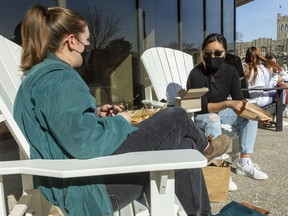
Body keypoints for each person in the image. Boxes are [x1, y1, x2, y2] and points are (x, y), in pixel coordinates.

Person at [13, 5, 230, 216]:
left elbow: (64, 126)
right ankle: (207, 149)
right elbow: (84, 143)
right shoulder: (58, 78)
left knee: (184, 145)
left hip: (89, 177)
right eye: (87, 41)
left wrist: (96, 114)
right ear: (71, 41)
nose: (88, 47)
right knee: (177, 116)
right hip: (95, 190)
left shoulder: (44, 77)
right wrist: (120, 121)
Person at [186, 33, 268, 183]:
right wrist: (227, 103)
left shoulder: (230, 71)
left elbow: (238, 99)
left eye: (218, 53)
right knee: (213, 118)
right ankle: (217, 168)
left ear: (225, 52)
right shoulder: (196, 74)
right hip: (198, 115)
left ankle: (244, 162)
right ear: (203, 53)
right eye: (208, 53)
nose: (213, 57)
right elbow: (202, 106)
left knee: (249, 117)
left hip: (221, 112)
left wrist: (257, 114)